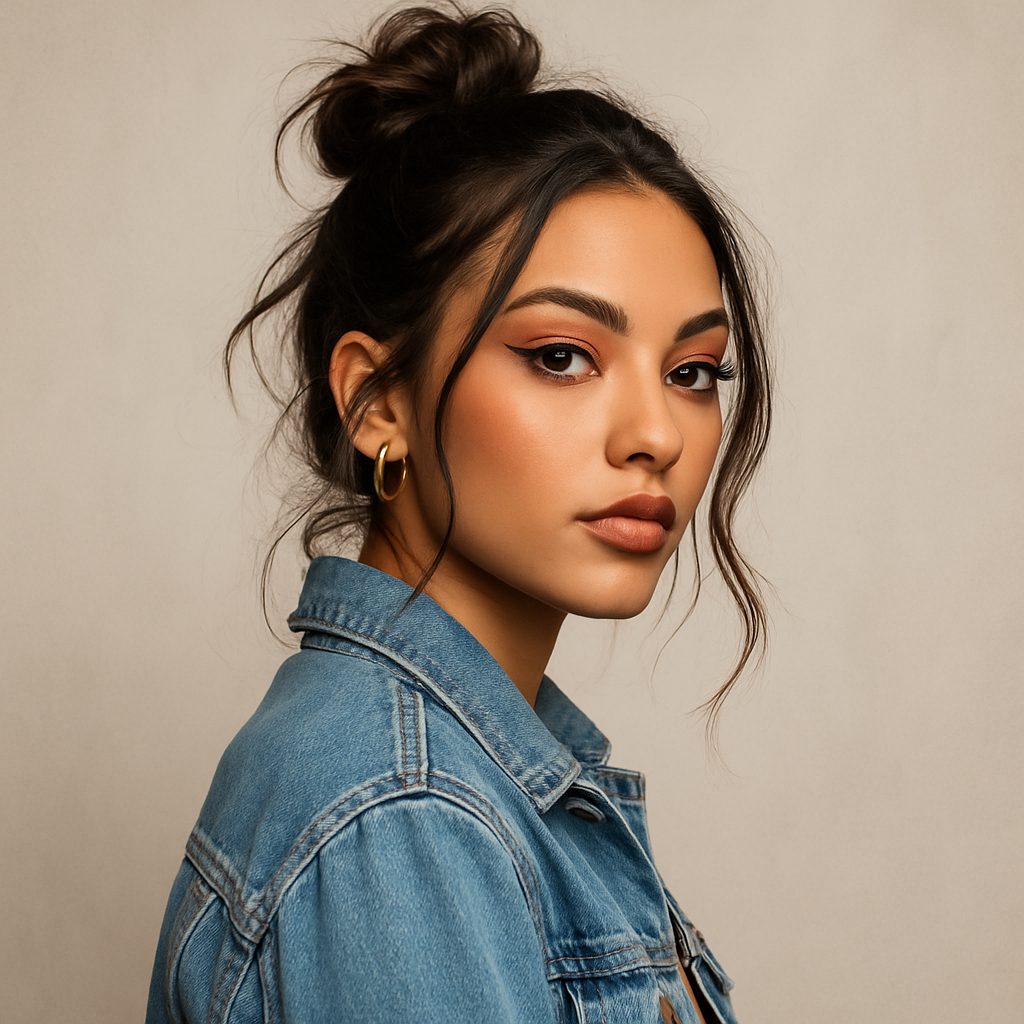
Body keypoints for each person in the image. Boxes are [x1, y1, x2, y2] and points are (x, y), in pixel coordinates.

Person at [146, 5, 771, 1023]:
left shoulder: (464, 774)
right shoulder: (404, 815)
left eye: (694, 370)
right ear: (376, 402)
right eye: (561, 355)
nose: (656, 433)